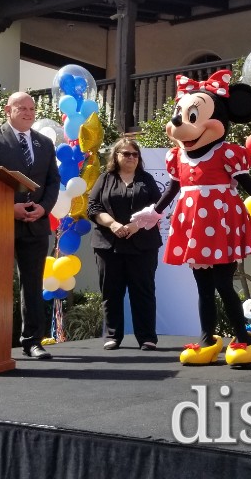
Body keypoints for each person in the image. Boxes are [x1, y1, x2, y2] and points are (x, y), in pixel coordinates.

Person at [132, 70, 251, 366]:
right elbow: (173, 188)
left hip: (220, 223)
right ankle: (208, 339)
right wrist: (155, 212)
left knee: (222, 283)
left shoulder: (228, 153)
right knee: (203, 286)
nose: (180, 123)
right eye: (180, 115)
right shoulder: (177, 157)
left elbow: (248, 184)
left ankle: (243, 338)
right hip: (193, 225)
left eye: (192, 116)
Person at [0, 91, 60, 360]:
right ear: (7, 110)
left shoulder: (45, 143)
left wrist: (44, 208)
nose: (28, 113)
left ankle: (32, 340)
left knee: (33, 284)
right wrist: (9, 208)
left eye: (32, 108)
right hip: (2, 223)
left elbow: (53, 181)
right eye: (21, 108)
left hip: (36, 224)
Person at [88, 138, 162, 351]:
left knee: (144, 291)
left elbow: (157, 208)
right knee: (111, 291)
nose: (131, 158)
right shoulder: (105, 178)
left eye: (135, 154)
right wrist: (112, 224)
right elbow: (93, 207)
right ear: (116, 156)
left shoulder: (146, 180)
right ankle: (112, 335)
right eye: (126, 154)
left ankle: (147, 337)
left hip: (143, 244)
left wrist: (135, 226)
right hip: (108, 245)